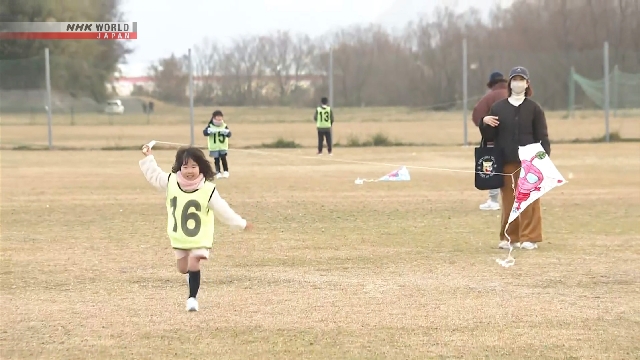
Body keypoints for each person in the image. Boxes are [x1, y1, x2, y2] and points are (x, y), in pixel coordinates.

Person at [139, 145, 252, 311]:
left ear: (201, 167)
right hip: (179, 237)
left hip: (200, 237)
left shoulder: (208, 190)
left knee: (194, 261)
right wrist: (149, 157)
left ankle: (192, 299)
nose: (189, 171)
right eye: (185, 167)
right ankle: (191, 277)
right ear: (179, 167)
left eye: (193, 166)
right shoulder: (171, 182)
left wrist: (241, 223)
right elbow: (155, 176)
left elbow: (223, 210)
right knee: (183, 268)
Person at [479, 66, 551, 250]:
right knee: (509, 201)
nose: (518, 83)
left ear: (527, 83)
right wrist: (484, 122)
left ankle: (530, 237)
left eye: (521, 79)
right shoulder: (498, 107)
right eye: (515, 79)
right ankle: (510, 237)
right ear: (510, 83)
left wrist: (543, 159)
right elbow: (489, 135)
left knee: (529, 200)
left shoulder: (534, 108)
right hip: (506, 161)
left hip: (530, 162)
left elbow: (542, 136)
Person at [472, 71, 509, 211]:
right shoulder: (513, 94)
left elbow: (477, 114)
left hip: (495, 140)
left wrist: (484, 124)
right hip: (515, 141)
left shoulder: (491, 96)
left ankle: (494, 200)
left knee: (494, 169)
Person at [203, 110, 232, 179]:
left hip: (223, 146)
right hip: (214, 146)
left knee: (223, 158)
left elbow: (229, 134)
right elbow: (205, 133)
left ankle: (226, 171)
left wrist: (226, 132)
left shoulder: (224, 125)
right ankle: (218, 172)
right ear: (214, 117)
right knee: (216, 160)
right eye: (217, 117)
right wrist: (209, 131)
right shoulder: (210, 126)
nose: (219, 119)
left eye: (220, 117)